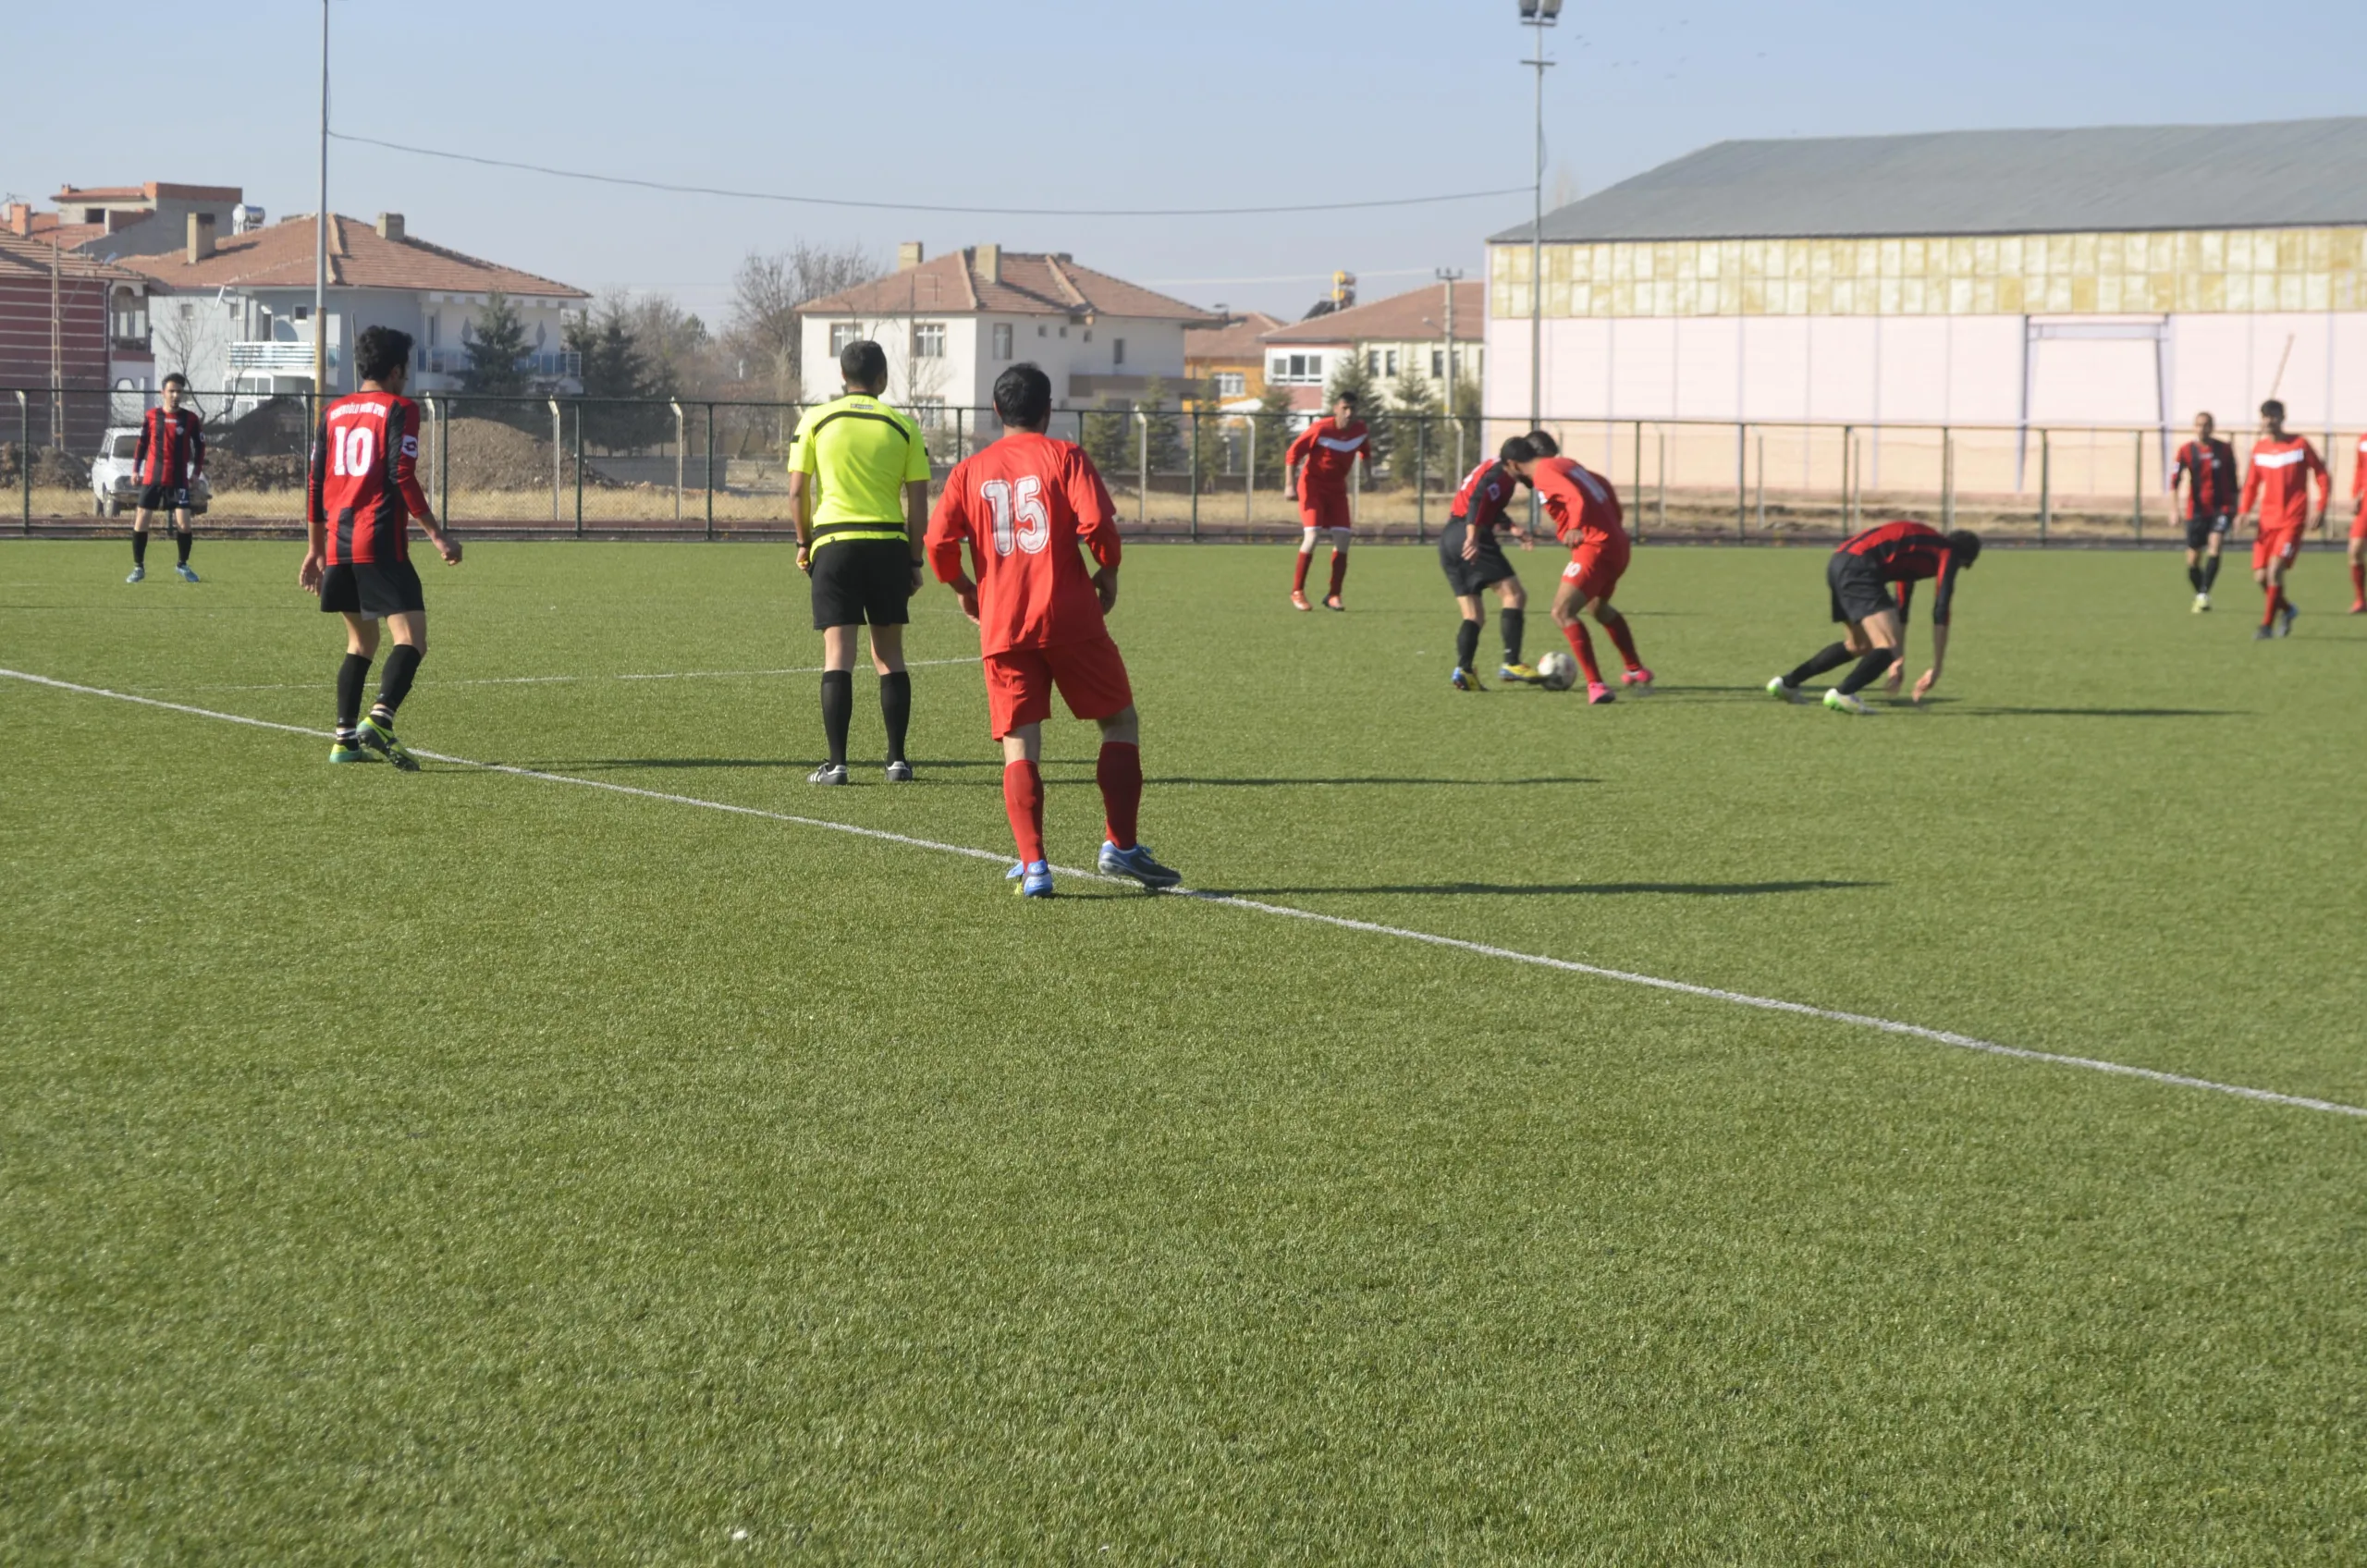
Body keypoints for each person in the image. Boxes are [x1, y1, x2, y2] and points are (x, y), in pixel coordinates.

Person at [926, 363, 1182, 898]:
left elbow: (937, 543)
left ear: (997, 412)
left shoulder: (969, 471)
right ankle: (1120, 845)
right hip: (1070, 615)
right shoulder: (1065, 456)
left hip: (1004, 623)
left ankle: (1035, 865)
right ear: (1048, 411)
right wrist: (1107, 571)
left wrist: (961, 586)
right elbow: (1098, 527)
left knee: (1020, 744)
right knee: (1118, 723)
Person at [299, 326, 461, 768]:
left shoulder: (331, 413)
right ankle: (380, 719)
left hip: (337, 545)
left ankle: (344, 741)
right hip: (379, 541)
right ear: (394, 370)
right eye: (404, 371)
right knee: (411, 639)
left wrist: (315, 549)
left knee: (360, 642)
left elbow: (315, 483)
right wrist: (436, 534)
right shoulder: (400, 409)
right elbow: (401, 475)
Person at [787, 340, 932, 783]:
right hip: (888, 544)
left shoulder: (815, 419)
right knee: (890, 656)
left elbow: (796, 491)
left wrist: (803, 542)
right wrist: (913, 557)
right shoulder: (905, 426)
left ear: (842, 378)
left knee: (839, 654)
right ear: (883, 380)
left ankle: (837, 764)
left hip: (834, 544)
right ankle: (897, 761)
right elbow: (920, 501)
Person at [1767, 520, 1979, 715]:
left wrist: (1898, 661)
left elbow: (1902, 608)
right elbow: (1941, 609)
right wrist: (1937, 667)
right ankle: (1844, 693)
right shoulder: (1947, 552)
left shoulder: (1918, 550)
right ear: (1963, 558)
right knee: (1886, 646)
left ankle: (1788, 683)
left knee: (1859, 645)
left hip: (1839, 562)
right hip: (1860, 568)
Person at [1502, 445, 1649, 704]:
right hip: (1616, 545)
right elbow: (1604, 487)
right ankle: (1636, 669)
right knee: (1598, 608)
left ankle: (1597, 685)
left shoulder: (1544, 472)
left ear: (1513, 464)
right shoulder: (1569, 465)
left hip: (1594, 547)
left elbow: (1575, 498)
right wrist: (1611, 526)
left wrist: (1577, 526)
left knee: (1561, 612)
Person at [1438, 436, 1539, 689]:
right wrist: (1472, 536)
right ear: (1514, 464)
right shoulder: (1498, 475)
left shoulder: (1497, 472)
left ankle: (1464, 670)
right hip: (1469, 534)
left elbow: (1488, 505)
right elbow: (1477, 499)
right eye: (1529, 464)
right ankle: (1511, 662)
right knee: (1514, 595)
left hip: (1449, 538)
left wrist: (1512, 528)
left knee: (1474, 614)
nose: (1533, 470)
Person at [2237, 398, 2329, 640]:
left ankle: (2266, 626)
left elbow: (2322, 475)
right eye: (2266, 416)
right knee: (2260, 578)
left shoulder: (2299, 445)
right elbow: (2251, 485)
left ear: (2282, 418)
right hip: (2267, 523)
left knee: (2275, 570)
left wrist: (2321, 507)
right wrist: (2244, 511)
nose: (2270, 421)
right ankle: (2287, 611)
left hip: (2292, 520)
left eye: (2274, 416)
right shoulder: (2259, 449)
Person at [1284, 392, 1370, 611]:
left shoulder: (1360, 430)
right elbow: (1292, 454)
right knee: (1312, 536)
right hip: (1312, 487)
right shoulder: (1321, 429)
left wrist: (1370, 476)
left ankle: (1334, 594)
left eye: (1353, 409)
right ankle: (1297, 592)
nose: (1349, 413)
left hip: (1337, 490)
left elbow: (1365, 452)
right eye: (1345, 408)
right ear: (1336, 408)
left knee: (1343, 539)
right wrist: (1288, 485)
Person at [128, 373, 204, 583]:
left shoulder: (190, 419)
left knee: (185, 524)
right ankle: (138, 567)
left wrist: (196, 473)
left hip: (178, 478)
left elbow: (200, 447)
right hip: (153, 476)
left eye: (179, 391)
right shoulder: (152, 416)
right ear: (163, 393)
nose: (175, 395)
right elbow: (142, 444)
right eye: (171, 391)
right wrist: (136, 469)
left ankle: (182, 564)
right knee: (141, 520)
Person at [2171, 411, 2238, 611]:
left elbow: (2234, 481)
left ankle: (2202, 594)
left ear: (2212, 427)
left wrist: (2236, 508)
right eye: (2199, 425)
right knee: (2192, 562)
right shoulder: (2185, 450)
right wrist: (2174, 509)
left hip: (2221, 508)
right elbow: (2175, 482)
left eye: (2207, 425)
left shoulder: (2224, 450)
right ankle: (2203, 594)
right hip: (2197, 510)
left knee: (2215, 546)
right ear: (2194, 427)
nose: (2203, 428)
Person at [2349, 429, 2366, 614]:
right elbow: (2360, 469)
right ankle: (2361, 600)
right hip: (2365, 505)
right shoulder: (2363, 440)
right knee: (2355, 550)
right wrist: (2356, 494)